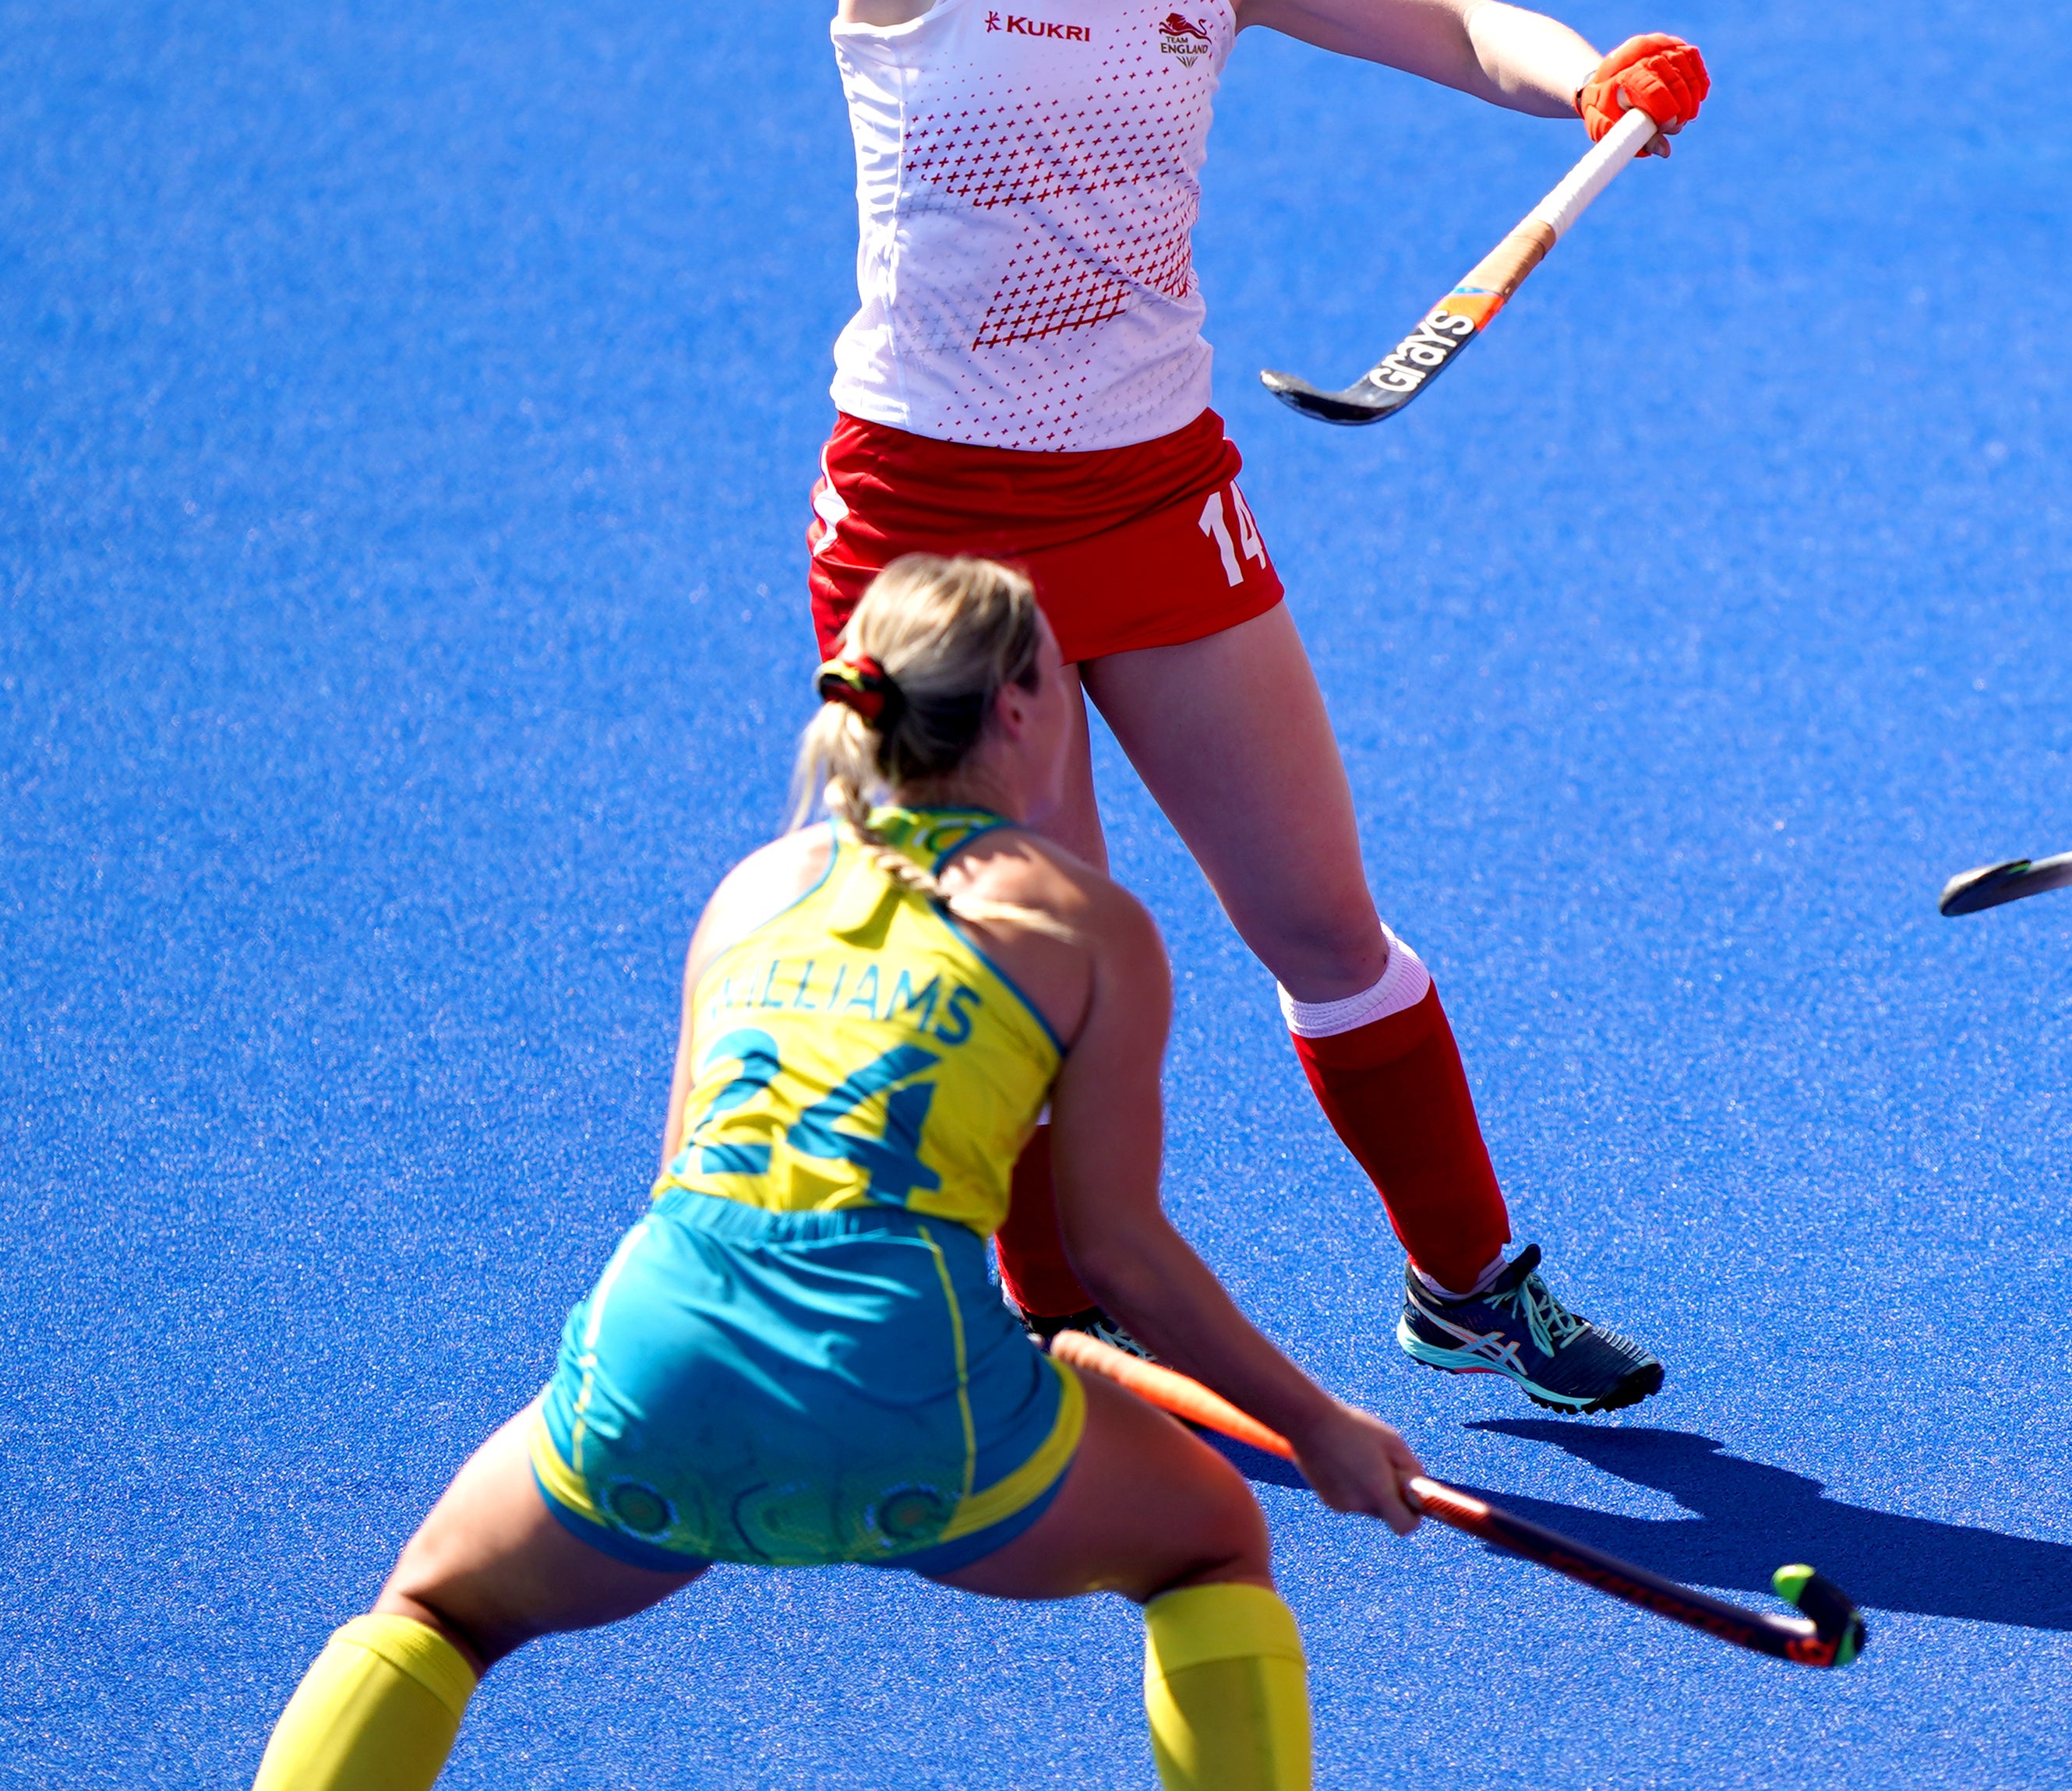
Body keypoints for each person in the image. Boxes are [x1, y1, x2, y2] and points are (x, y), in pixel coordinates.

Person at [657, 0, 1693, 1412]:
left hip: (1157, 499)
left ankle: (1462, 1269)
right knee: (1045, 960)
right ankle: (1060, 1318)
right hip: (935, 533)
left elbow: (1427, 16)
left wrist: (1586, 67)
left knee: (1325, 926)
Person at [250, 555, 1421, 1791]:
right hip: (908, 1394)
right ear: (1025, 708)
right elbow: (1118, 1256)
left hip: (662, 1365)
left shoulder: (751, 889)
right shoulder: (1085, 926)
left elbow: (697, 1190)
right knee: (1210, 1541)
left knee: (436, 1610)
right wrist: (1317, 1427)